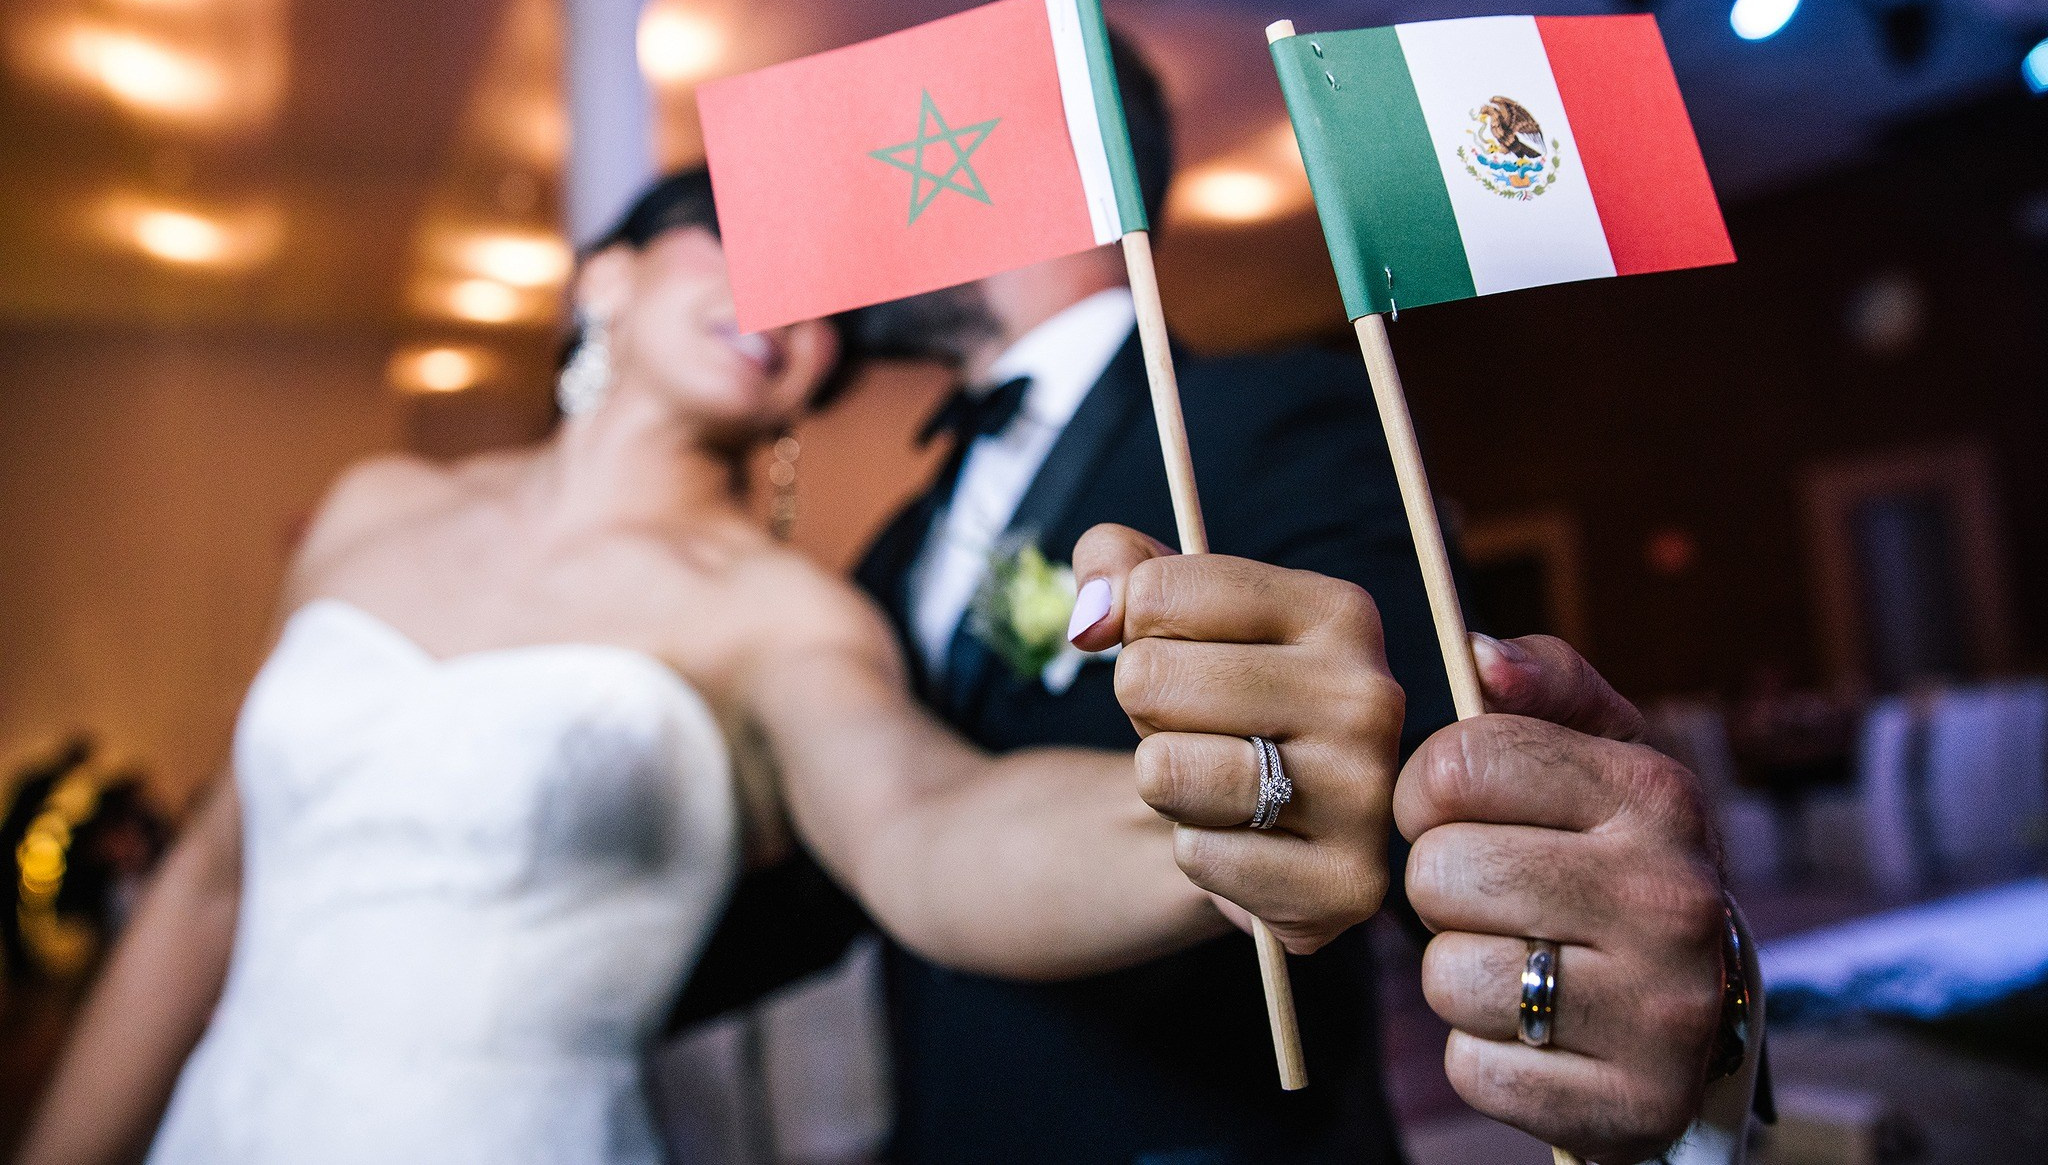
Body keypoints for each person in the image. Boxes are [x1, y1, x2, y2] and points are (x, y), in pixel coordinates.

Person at [15, 172, 1421, 1165]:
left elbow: (928, 827)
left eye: (815, 299)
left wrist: (1220, 805)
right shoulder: (377, 503)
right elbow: (208, 888)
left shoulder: (780, 613)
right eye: (722, 236)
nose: (781, 303)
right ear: (603, 273)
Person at [675, 34, 1757, 1165]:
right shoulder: (903, 536)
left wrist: (1612, 961)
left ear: (1058, 170)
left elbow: (1418, 772)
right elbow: (850, 855)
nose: (873, 224)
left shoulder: (1269, 418)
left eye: (918, 150)